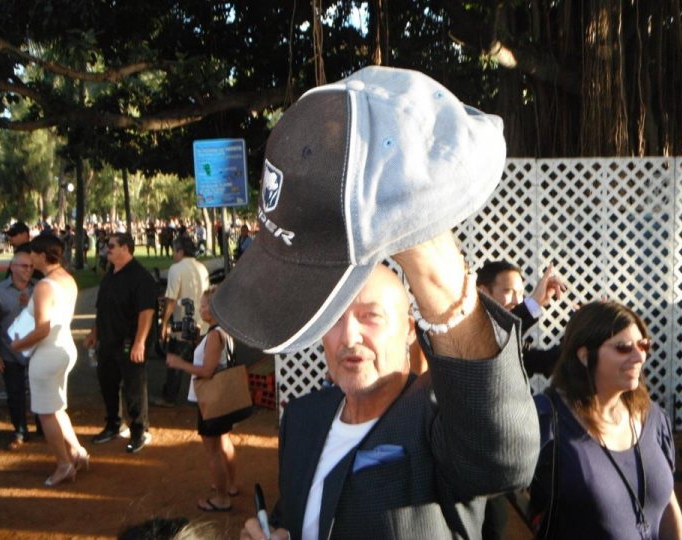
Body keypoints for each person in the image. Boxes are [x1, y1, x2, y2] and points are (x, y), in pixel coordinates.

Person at [213, 66, 538, 540]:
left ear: (411, 328)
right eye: (333, 314)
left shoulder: (439, 421)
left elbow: (503, 458)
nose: (349, 336)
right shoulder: (303, 418)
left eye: (371, 316)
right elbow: (303, 509)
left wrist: (426, 248)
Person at [530, 301, 682, 539]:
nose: (639, 357)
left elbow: (667, 503)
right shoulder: (548, 420)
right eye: (623, 348)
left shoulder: (653, 417)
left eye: (644, 345)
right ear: (584, 356)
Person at [476, 260, 565, 540]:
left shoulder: (511, 334)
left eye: (520, 292)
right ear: (482, 292)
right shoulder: (472, 331)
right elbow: (499, 337)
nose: (516, 300)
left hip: (510, 453)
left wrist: (587, 330)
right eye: (508, 291)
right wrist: (534, 302)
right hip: (477, 462)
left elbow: (544, 361)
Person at [9, 235, 88, 486]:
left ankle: (64, 464)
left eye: (32, 253)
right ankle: (77, 452)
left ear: (43, 255)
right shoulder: (67, 279)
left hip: (47, 352)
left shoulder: (45, 285)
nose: (30, 258)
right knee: (56, 407)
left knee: (45, 412)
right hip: (64, 347)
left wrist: (17, 344)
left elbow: (42, 328)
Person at [165, 286, 240, 512]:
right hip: (222, 398)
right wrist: (200, 340)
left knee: (213, 450)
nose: (201, 309)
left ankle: (221, 498)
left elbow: (207, 370)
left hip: (211, 399)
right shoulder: (221, 332)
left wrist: (180, 364)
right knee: (224, 442)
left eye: (205, 305)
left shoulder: (215, 336)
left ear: (217, 308)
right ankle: (231, 485)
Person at [83, 233, 157, 453]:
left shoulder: (140, 277)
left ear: (126, 248)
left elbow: (147, 312)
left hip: (129, 342)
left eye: (112, 246)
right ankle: (113, 425)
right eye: (108, 246)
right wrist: (94, 333)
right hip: (107, 341)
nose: (108, 249)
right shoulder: (109, 276)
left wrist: (139, 343)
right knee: (107, 384)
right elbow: (101, 309)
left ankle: (139, 431)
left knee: (134, 388)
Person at [152, 236, 209, 407]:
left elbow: (170, 299)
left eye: (174, 251)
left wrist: (164, 323)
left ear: (180, 252)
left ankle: (169, 397)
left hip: (183, 323)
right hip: (202, 323)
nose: (172, 255)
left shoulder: (176, 269)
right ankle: (206, 396)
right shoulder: (202, 268)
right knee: (199, 361)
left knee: (175, 362)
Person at [0, 251, 35, 449]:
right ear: (12, 267)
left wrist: (31, 306)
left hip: (36, 352)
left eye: (31, 266)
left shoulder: (38, 290)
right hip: (10, 353)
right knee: (15, 394)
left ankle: (44, 428)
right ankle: (20, 431)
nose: (28, 270)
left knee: (39, 391)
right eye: (24, 266)